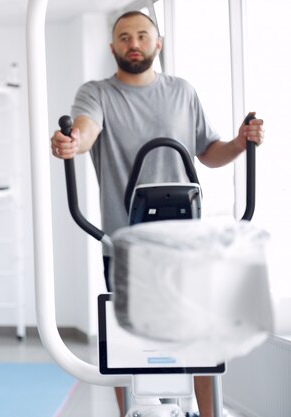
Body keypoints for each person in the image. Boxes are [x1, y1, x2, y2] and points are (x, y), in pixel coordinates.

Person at [50, 10, 264, 417]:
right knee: (127, 345)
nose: (134, 43)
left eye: (143, 36)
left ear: (157, 43)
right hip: (125, 243)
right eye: (125, 37)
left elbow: (209, 151)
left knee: (200, 342)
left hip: (187, 243)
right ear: (112, 47)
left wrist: (240, 143)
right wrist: (72, 143)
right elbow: (84, 131)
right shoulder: (97, 93)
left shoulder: (183, 91)